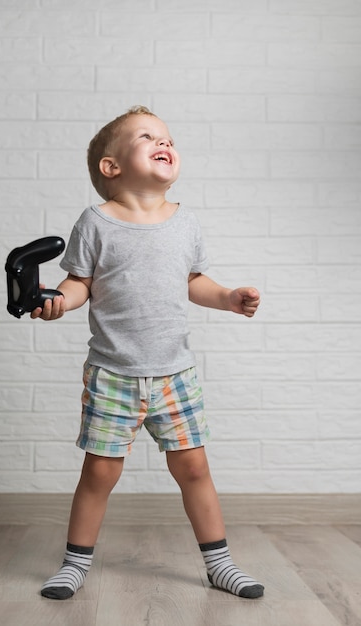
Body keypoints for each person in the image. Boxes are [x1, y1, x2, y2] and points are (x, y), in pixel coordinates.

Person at [32, 105, 264, 601]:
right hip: (113, 372)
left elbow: (192, 281)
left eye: (168, 137)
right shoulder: (95, 222)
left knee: (194, 468)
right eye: (146, 137)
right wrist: (57, 302)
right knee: (100, 471)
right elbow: (80, 284)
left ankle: (219, 563)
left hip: (174, 373)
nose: (164, 142)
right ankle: (74, 564)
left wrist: (225, 298)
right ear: (111, 166)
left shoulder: (185, 223)